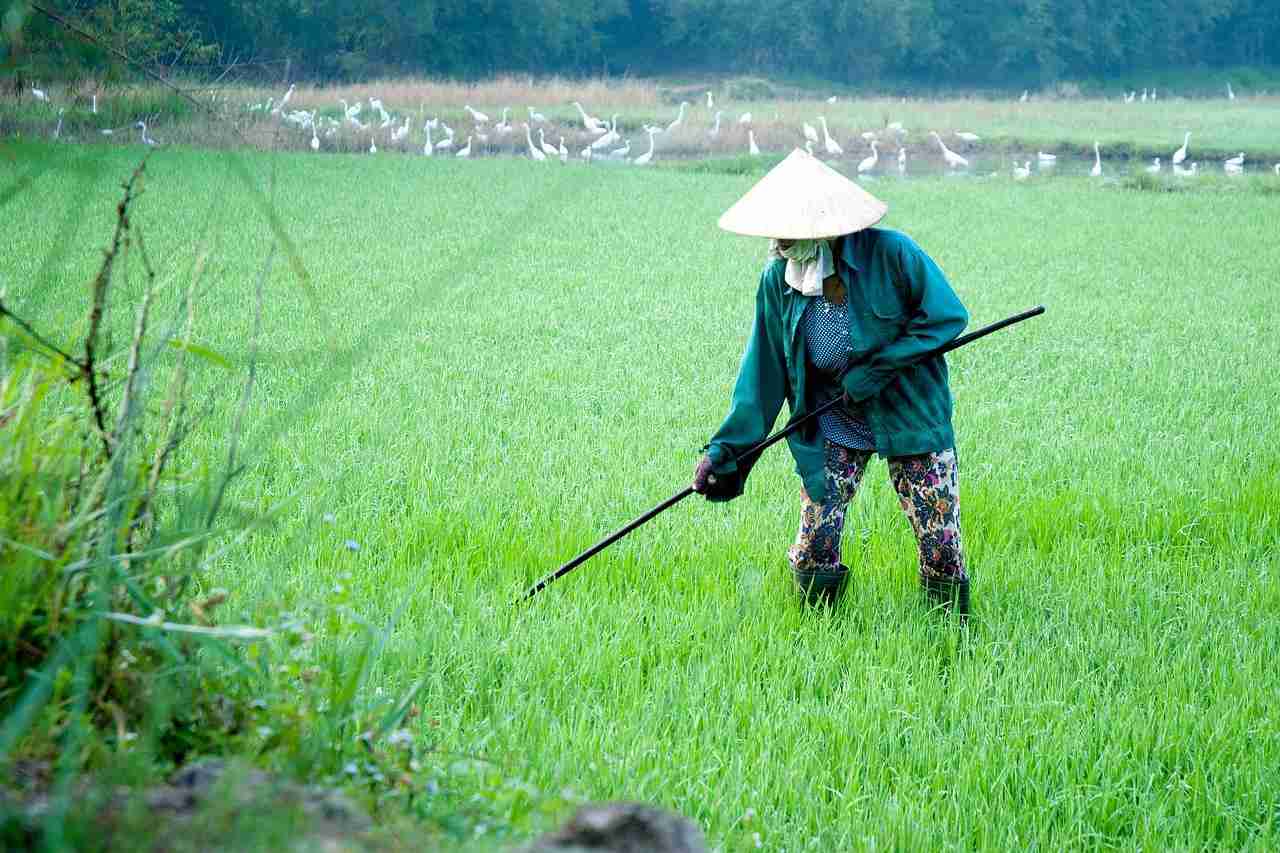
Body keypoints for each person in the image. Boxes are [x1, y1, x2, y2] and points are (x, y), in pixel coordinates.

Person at [692, 149, 971, 615]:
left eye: (791, 233)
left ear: (827, 227)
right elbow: (763, 373)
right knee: (815, 539)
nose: (781, 244)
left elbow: (946, 316)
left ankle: (950, 634)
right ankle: (819, 631)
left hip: (907, 413)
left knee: (939, 542)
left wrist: (880, 368)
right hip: (831, 418)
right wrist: (724, 451)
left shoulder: (893, 254)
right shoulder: (779, 280)